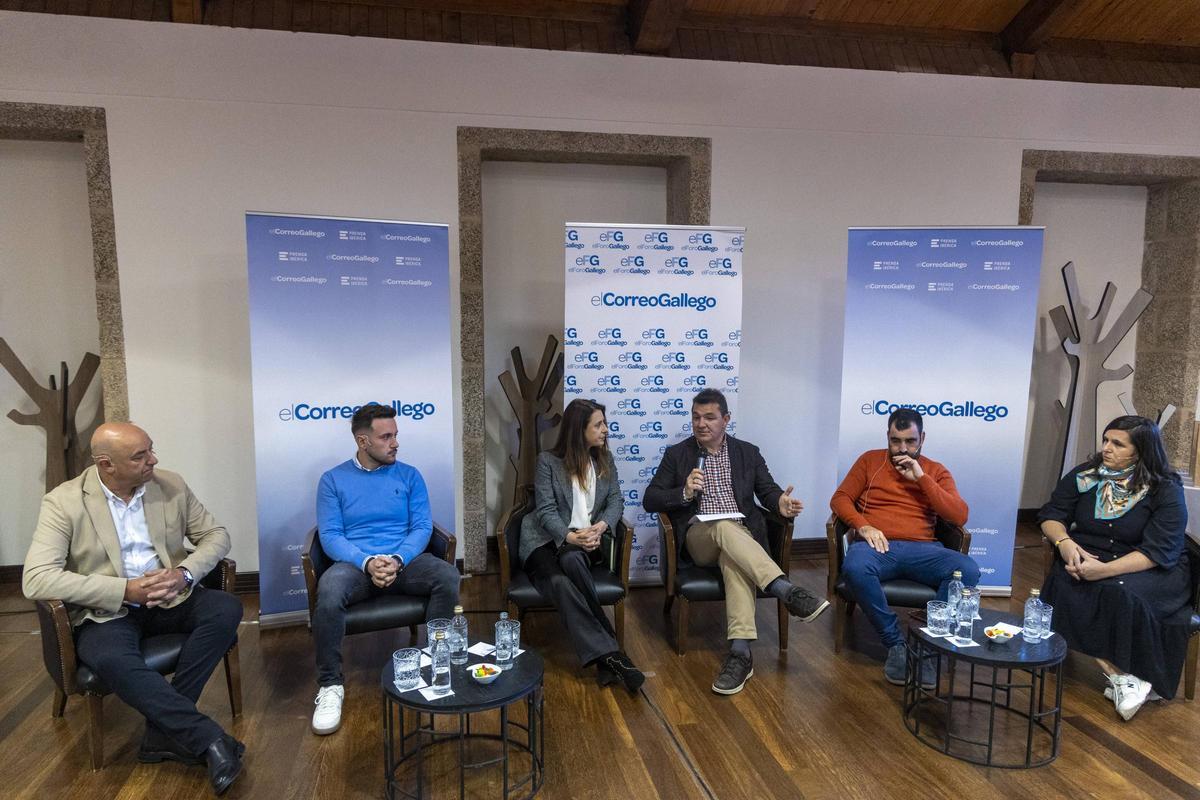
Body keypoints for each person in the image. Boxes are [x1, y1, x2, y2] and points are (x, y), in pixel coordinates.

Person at [22, 423, 244, 796]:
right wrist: (124, 589)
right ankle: (206, 738)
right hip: (107, 610)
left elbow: (216, 535)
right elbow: (37, 579)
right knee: (111, 658)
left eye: (150, 450)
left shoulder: (169, 484)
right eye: (140, 456)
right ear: (106, 464)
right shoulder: (64, 502)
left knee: (225, 608)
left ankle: (164, 733)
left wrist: (184, 574)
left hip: (170, 597)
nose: (152, 460)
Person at [644, 389, 826, 695]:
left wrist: (780, 502)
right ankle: (785, 589)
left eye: (709, 417)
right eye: (696, 417)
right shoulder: (678, 454)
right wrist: (684, 493)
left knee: (734, 557)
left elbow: (767, 490)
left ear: (726, 420)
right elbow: (650, 498)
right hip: (700, 538)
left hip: (741, 539)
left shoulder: (747, 452)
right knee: (725, 528)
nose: (701, 424)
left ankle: (740, 653)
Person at [311, 402, 461, 735]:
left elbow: (422, 526)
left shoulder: (410, 475)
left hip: (403, 562)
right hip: (356, 566)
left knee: (447, 575)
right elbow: (331, 534)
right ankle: (330, 686)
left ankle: (436, 664)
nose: (395, 443)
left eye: (395, 435)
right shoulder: (333, 480)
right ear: (363, 442)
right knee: (330, 589)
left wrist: (397, 559)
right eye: (386, 436)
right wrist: (367, 562)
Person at [1039, 415, 1191, 720]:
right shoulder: (1086, 475)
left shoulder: (1165, 488)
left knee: (1114, 592)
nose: (1106, 448)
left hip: (1150, 566)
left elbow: (1157, 551)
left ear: (1140, 451)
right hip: (1088, 555)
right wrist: (1064, 544)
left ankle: (1128, 675)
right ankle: (1125, 677)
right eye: (1106, 440)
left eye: (1117, 444)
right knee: (1063, 583)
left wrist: (1103, 570)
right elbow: (1052, 514)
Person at [830, 408, 976, 686]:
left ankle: (929, 648)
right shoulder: (869, 461)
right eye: (896, 441)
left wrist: (921, 478)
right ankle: (896, 643)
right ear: (887, 436)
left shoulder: (935, 470)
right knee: (855, 567)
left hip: (924, 549)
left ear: (922, 438)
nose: (902, 449)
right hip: (878, 546)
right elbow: (840, 499)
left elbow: (959, 516)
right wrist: (864, 526)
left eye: (910, 441)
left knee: (967, 569)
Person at [519, 399, 645, 693]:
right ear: (580, 430)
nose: (605, 429)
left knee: (574, 562)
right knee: (561, 582)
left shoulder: (605, 460)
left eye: (604, 423)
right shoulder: (548, 462)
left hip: (584, 543)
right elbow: (546, 510)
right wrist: (570, 536)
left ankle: (608, 658)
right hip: (545, 541)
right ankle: (613, 656)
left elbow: (616, 500)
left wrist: (601, 527)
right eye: (598, 424)